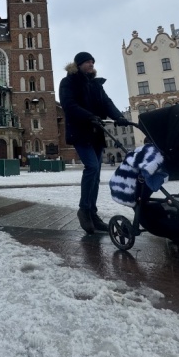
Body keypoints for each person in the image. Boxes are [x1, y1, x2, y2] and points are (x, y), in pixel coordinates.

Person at [60, 51, 131, 234]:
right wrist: (89, 116)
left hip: (96, 133)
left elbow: (107, 103)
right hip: (80, 132)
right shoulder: (68, 82)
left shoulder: (96, 85)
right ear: (78, 64)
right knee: (91, 167)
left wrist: (119, 117)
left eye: (92, 61)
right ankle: (84, 210)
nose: (91, 64)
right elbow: (68, 105)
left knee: (97, 173)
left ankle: (92, 213)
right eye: (87, 62)